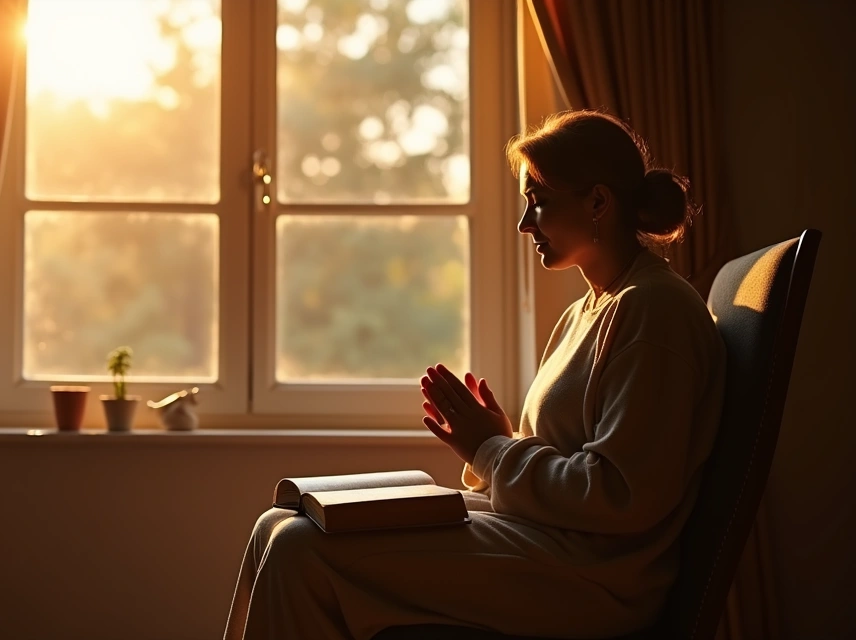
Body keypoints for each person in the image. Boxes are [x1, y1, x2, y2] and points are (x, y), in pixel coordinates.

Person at [221, 110, 727, 640]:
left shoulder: (654, 312)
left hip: (593, 580)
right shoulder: (589, 310)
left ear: (598, 202)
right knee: (275, 526)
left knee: (298, 549)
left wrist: (491, 449)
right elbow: (574, 463)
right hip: (547, 542)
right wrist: (500, 440)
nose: (524, 224)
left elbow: (621, 495)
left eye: (539, 202)